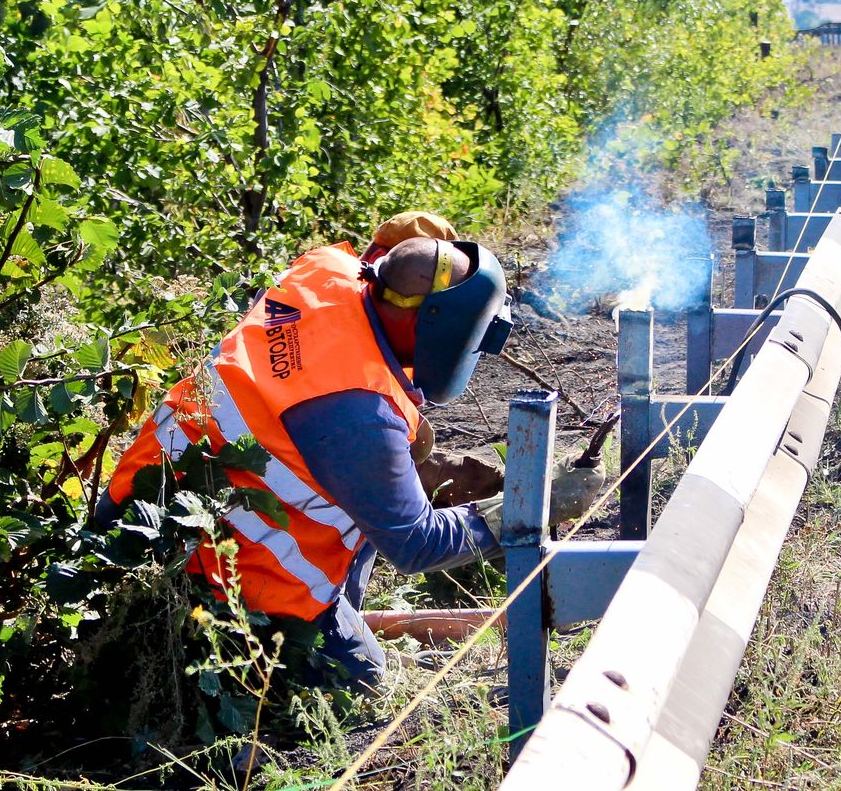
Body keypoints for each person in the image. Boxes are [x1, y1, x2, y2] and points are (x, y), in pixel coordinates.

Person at [98, 228, 602, 688]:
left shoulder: (326, 271)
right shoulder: (357, 412)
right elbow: (416, 546)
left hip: (139, 503)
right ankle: (305, 645)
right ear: (432, 320)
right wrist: (527, 506)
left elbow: (396, 254)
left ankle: (348, 616)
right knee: (363, 680)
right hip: (207, 574)